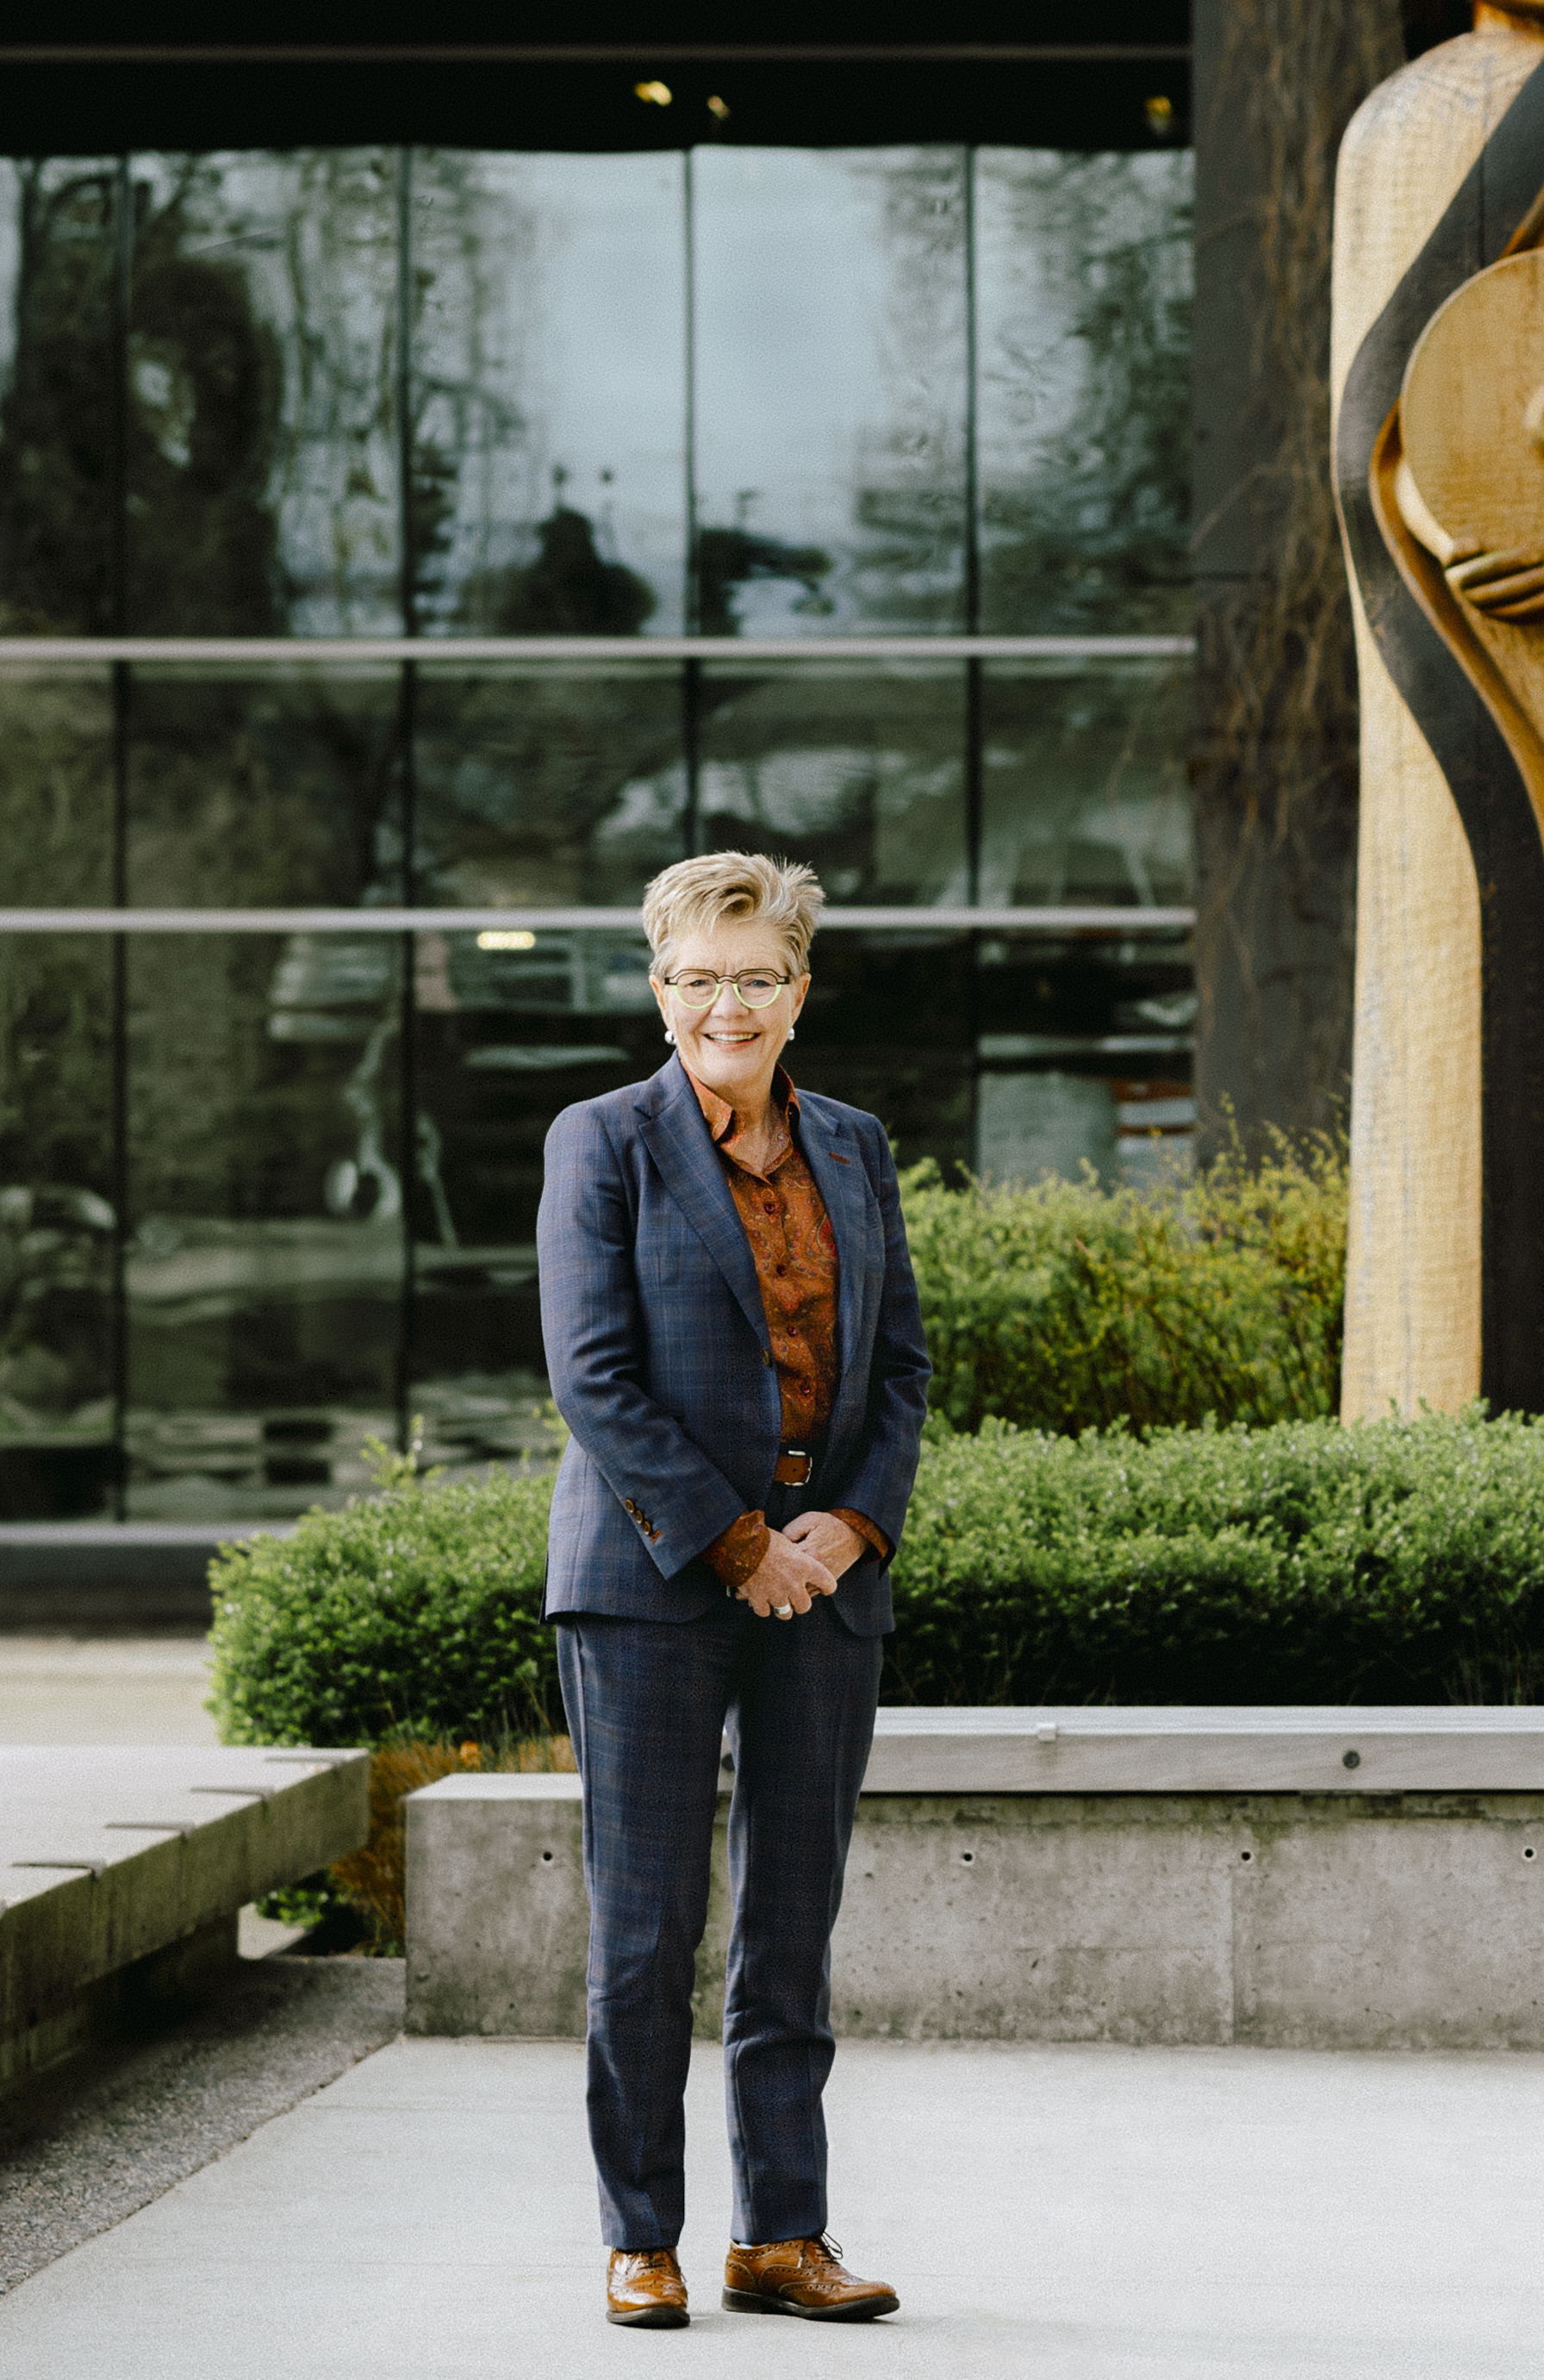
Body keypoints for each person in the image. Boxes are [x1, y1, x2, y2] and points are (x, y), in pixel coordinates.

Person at [539, 851, 928, 2330]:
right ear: (659, 990)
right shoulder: (605, 1141)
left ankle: (783, 2238)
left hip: (825, 1585)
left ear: (799, 990)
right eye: (699, 979)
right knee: (644, 1929)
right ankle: (642, 2237)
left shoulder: (855, 1144)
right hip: (649, 1583)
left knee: (790, 1927)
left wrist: (846, 1528)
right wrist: (737, 1541)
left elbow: (898, 1367)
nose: (728, 1004)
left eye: (756, 977)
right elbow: (595, 1378)